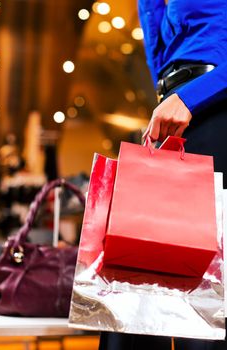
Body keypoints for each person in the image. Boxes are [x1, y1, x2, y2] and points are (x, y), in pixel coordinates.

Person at [99, 0, 227, 349]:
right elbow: (161, 61)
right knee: (138, 290)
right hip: (176, 114)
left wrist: (189, 96)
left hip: (216, 108)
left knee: (205, 298)